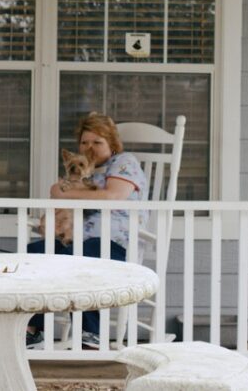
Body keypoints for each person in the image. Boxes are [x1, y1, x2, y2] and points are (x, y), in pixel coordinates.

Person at [25, 112, 148, 350]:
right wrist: (60, 193)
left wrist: (63, 192)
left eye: (97, 142)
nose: (89, 147)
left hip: (114, 243)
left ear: (112, 144)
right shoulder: (83, 167)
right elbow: (59, 191)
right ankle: (33, 329)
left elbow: (112, 196)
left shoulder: (124, 162)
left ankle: (90, 333)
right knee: (33, 256)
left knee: (80, 260)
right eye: (84, 142)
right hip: (75, 239)